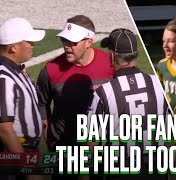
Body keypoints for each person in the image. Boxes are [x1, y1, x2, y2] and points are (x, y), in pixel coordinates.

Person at [36, 15, 114, 179]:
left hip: (102, 152)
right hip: (65, 152)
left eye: (73, 42)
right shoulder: (51, 69)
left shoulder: (109, 65)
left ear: (89, 42)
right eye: (64, 40)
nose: (66, 46)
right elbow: (41, 104)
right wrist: (50, 141)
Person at [87, 28, 168, 179]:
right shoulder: (159, 84)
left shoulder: (104, 92)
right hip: (156, 168)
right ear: (135, 54)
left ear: (112, 57)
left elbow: (91, 143)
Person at [0, 17, 45, 180]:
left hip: (26, 151)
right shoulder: (4, 77)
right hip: (15, 155)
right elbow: (4, 127)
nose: (33, 45)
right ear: (14, 47)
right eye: (29, 41)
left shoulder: (16, 71)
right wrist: (27, 167)